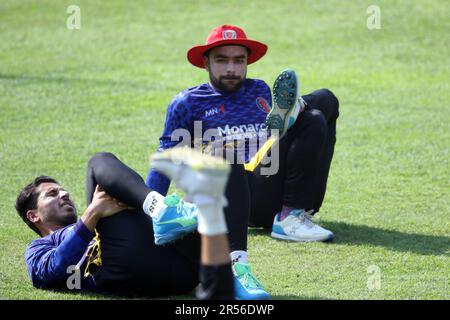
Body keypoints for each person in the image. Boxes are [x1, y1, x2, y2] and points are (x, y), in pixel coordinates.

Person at [146, 24, 340, 295]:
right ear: (205, 63)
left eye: (239, 60)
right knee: (228, 156)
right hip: (226, 196)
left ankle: (291, 215)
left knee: (321, 110)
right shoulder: (187, 102)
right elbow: (166, 156)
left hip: (269, 182)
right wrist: (148, 207)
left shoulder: (259, 91)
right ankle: (242, 261)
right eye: (222, 60)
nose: (231, 69)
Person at [15, 148, 235, 299]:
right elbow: (51, 271)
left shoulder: (108, 212)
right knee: (98, 162)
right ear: (33, 215)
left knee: (221, 162)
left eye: (62, 190)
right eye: (52, 193)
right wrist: (93, 213)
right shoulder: (38, 248)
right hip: (124, 271)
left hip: (183, 273)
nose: (64, 193)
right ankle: (160, 208)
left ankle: (235, 265)